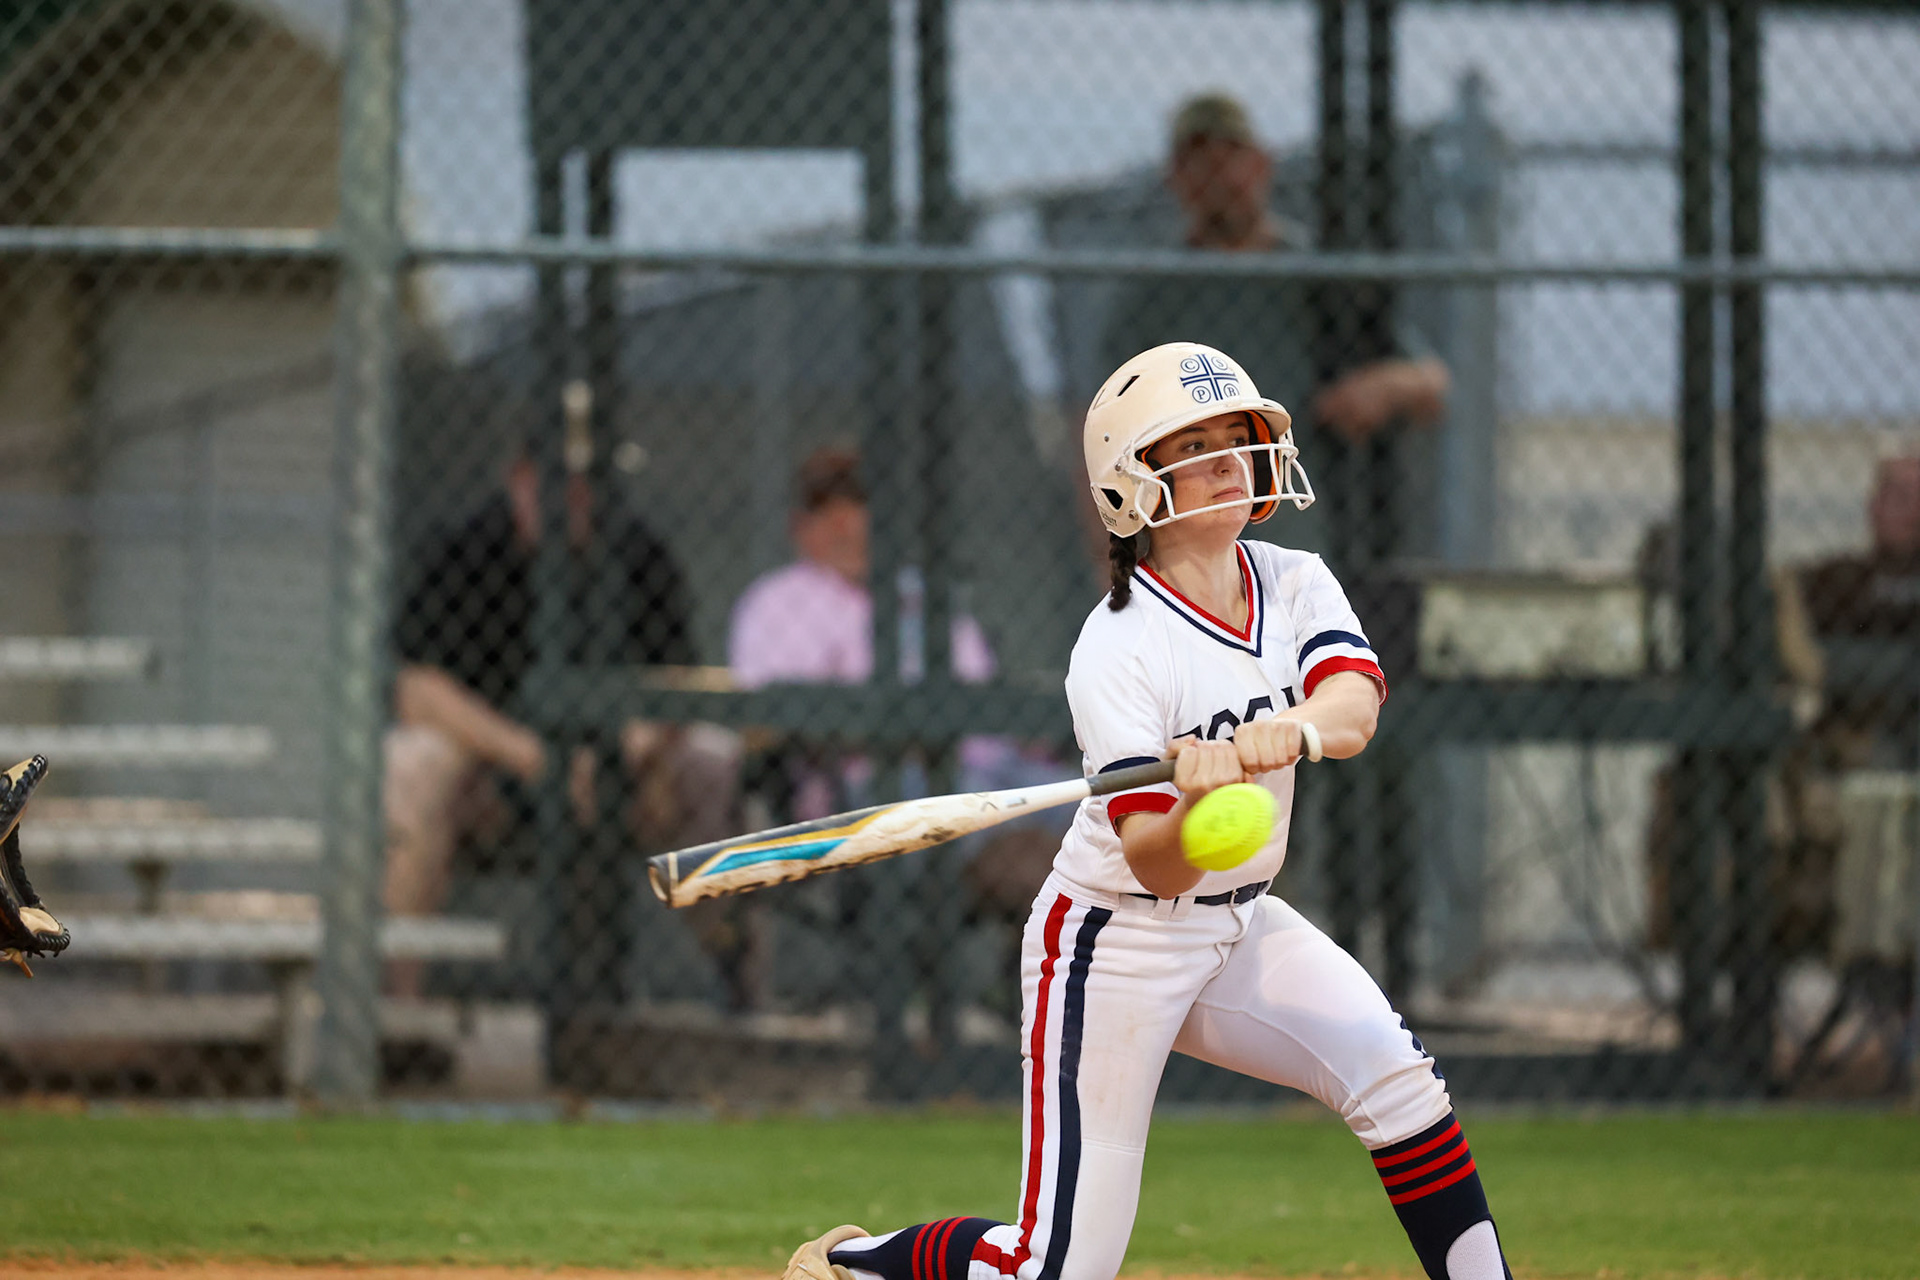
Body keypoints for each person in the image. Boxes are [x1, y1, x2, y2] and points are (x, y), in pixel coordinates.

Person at [782, 343, 1513, 1280]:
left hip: (1242, 925)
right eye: (1193, 444)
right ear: (1134, 486)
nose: (1227, 459)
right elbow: (1157, 863)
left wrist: (1281, 733)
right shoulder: (1116, 647)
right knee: (1058, 1272)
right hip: (1111, 943)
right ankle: (857, 1265)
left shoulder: (1294, 581)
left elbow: (1355, 709)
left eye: (1237, 439)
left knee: (1399, 1079)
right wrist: (1199, 803)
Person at [384, 439, 739, 995]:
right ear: (519, 477)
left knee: (713, 761)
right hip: (492, 777)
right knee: (415, 761)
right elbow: (417, 691)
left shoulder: (637, 552)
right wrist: (536, 759)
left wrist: (627, 753)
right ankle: (393, 1007)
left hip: (618, 780)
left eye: (593, 480)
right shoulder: (467, 549)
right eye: (563, 480)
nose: (581, 496)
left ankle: (739, 992)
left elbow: (677, 683)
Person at [1098, 92, 1449, 558]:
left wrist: (1378, 388)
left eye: (1229, 160)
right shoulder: (1153, 295)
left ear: (1261, 165)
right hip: (1190, 551)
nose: (1218, 178)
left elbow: (1431, 383)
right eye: (1200, 164)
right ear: (1175, 179)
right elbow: (1104, 435)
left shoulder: (1317, 276)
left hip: (1315, 544)